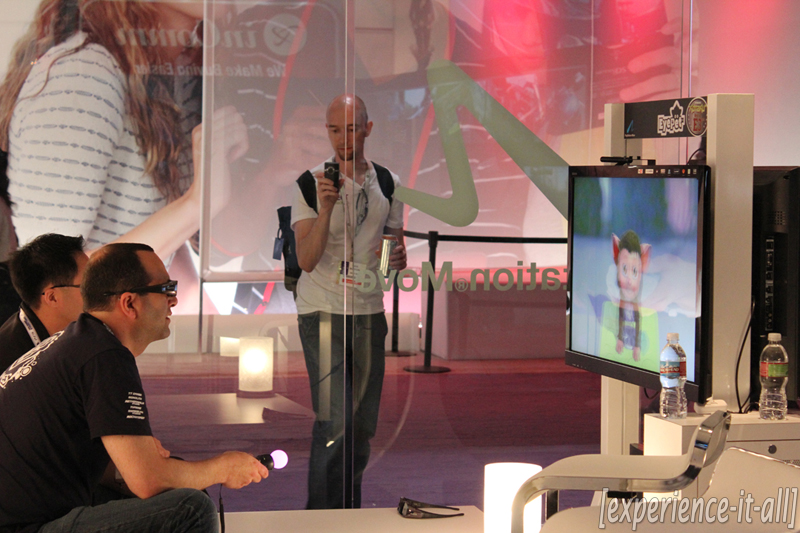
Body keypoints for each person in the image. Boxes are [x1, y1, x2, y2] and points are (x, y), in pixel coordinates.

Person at [0, 242, 268, 533]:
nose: (174, 300)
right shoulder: (104, 355)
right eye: (165, 289)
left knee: (177, 491)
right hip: (26, 525)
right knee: (190, 509)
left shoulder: (78, 342)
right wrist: (224, 468)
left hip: (32, 513)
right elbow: (148, 480)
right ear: (129, 303)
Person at [0, 0, 248, 265]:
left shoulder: (174, 76)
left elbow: (158, 240)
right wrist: (198, 202)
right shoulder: (84, 75)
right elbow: (50, 273)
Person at [291, 94, 406, 509]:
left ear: (368, 129)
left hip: (368, 310)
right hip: (321, 310)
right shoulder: (309, 183)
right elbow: (306, 260)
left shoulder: (387, 182)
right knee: (334, 421)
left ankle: (347, 512)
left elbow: (388, 258)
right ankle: (321, 519)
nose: (343, 138)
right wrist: (325, 209)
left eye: (352, 128)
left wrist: (395, 259)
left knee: (361, 425)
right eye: (335, 129)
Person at [0, 233, 87, 371]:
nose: (99, 290)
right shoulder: (11, 364)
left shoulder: (83, 330)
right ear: (52, 297)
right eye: (88, 285)